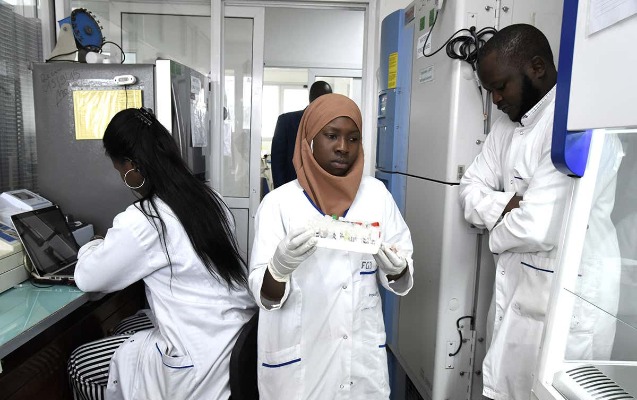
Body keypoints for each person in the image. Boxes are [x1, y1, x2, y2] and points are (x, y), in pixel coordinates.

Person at [459, 24, 622, 399]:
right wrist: (511, 204)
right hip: (519, 294)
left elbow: (537, 226)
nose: (496, 100)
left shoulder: (578, 123)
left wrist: (498, 223)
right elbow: (468, 191)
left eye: (501, 87)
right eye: (490, 91)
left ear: (537, 68)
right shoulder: (507, 126)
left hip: (569, 303)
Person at [67, 108, 256, 400]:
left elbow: (88, 278)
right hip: (233, 338)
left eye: (119, 170)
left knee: (81, 364)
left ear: (131, 168)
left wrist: (93, 245)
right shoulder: (209, 199)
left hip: (200, 361)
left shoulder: (148, 218)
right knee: (127, 324)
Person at [249, 93, 414, 399]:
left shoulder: (377, 196)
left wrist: (398, 268)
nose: (343, 147)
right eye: (331, 135)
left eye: (353, 138)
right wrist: (278, 268)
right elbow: (265, 297)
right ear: (310, 139)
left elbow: (401, 281)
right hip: (300, 366)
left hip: (361, 363)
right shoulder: (278, 204)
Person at [270, 80, 332, 188]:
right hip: (293, 189)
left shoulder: (333, 125)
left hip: (323, 190)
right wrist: (281, 191)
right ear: (311, 99)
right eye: (320, 99)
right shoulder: (287, 122)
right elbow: (277, 163)